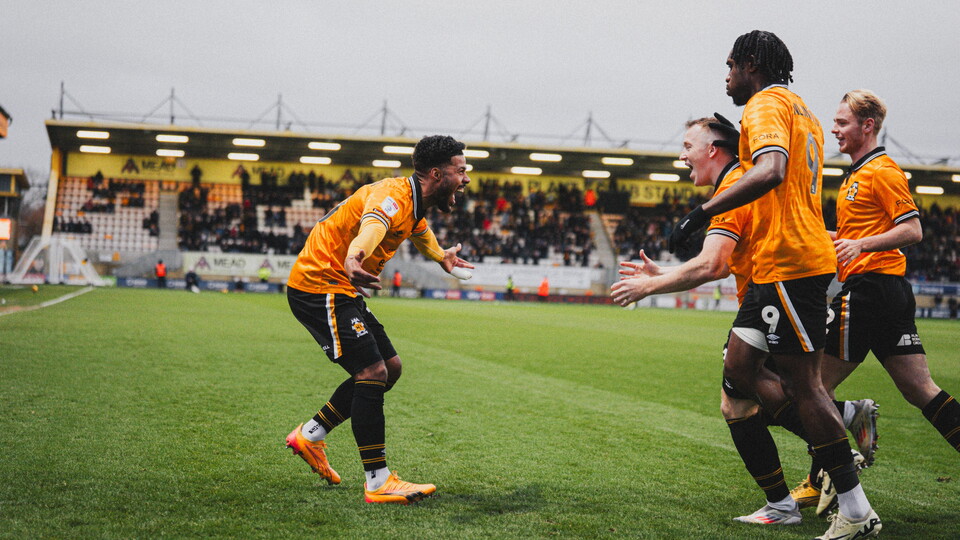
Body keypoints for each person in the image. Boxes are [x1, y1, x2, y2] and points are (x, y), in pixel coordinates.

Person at [612, 116, 877, 528]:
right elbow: (718, 263)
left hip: (778, 292)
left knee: (770, 392)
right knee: (740, 399)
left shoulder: (737, 185)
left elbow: (713, 263)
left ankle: (840, 433)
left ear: (714, 150)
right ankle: (793, 490)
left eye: (688, 146)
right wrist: (660, 276)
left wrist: (651, 287)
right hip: (771, 295)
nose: (682, 155)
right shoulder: (738, 181)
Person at [669, 31, 879, 539]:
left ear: (751, 65)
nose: (726, 76)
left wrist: (701, 212)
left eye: (730, 65)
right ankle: (843, 421)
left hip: (791, 263)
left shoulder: (764, 104)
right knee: (739, 369)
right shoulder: (801, 108)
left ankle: (855, 509)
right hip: (777, 265)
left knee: (804, 387)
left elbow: (771, 170)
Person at [284, 135, 474, 504]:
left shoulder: (413, 201)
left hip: (340, 286)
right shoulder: (392, 198)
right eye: (460, 170)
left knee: (390, 366)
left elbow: (417, 229)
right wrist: (355, 256)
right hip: (319, 283)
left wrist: (441, 257)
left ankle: (310, 435)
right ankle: (377, 481)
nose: (466, 178)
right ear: (437, 174)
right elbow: (373, 225)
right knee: (372, 373)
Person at [803, 90, 960, 508]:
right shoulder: (856, 173)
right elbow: (854, 237)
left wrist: (862, 247)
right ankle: (830, 464)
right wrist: (825, 238)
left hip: (869, 291)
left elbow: (913, 229)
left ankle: (822, 478)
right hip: (888, 291)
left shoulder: (883, 171)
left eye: (841, 122)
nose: (833, 129)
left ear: (867, 125)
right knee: (920, 388)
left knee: (813, 388)